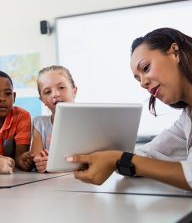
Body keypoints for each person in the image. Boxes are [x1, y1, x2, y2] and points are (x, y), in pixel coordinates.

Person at [69, 28, 192, 191]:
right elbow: (149, 153)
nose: (143, 83)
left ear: (175, 52)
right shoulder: (187, 118)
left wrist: (118, 159)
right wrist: (99, 157)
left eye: (146, 68)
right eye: (138, 79)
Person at [0, 70, 33, 171]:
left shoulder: (22, 116)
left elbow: (19, 156)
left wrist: (22, 160)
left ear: (14, 97)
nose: (2, 98)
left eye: (8, 93)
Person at [31, 65, 77, 173]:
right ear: (42, 100)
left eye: (61, 87)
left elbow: (92, 160)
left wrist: (54, 164)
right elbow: (37, 158)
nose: (55, 94)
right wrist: (42, 163)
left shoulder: (88, 122)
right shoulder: (39, 123)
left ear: (74, 91)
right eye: (47, 92)